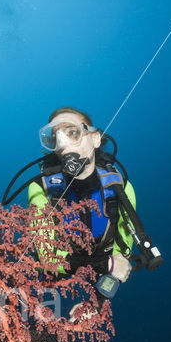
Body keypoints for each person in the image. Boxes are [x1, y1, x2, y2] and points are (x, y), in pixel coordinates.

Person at [27, 106, 136, 318]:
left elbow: (122, 256)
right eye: (55, 137)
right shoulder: (40, 189)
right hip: (59, 270)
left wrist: (97, 300)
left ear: (95, 139)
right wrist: (106, 264)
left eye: (72, 132)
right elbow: (46, 257)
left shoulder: (121, 188)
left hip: (102, 260)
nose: (63, 143)